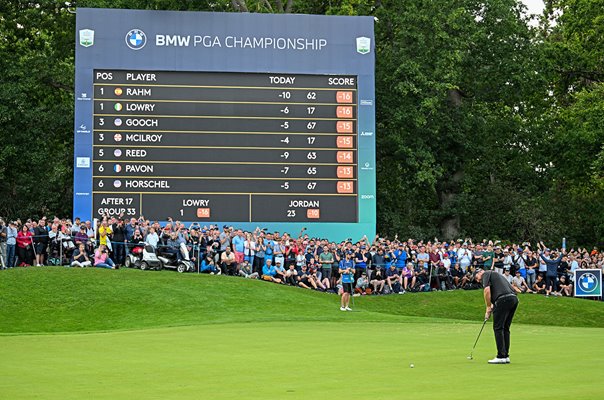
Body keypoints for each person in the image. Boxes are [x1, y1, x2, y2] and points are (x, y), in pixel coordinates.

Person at [473, 268, 518, 364]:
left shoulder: (486, 274)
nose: (478, 280)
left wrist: (488, 307)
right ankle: (505, 355)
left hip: (504, 300)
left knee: (498, 328)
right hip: (513, 299)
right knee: (505, 328)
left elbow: (487, 291)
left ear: (479, 272)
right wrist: (494, 304)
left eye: (476, 278)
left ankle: (501, 356)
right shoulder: (497, 276)